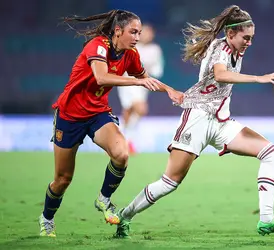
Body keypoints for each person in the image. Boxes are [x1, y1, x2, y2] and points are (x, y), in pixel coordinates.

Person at [113, 5, 274, 238]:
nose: (249, 43)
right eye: (246, 38)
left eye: (252, 38)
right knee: (170, 182)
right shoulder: (220, 47)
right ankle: (125, 216)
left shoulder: (236, 49)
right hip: (197, 118)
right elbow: (220, 74)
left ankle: (267, 219)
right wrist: (258, 78)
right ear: (231, 34)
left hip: (221, 122)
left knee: (271, 152)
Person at [38, 9, 184, 237]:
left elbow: (145, 79)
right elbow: (102, 77)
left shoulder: (131, 54)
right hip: (69, 116)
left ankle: (104, 199)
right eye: (133, 32)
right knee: (63, 179)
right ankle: (47, 218)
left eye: (139, 33)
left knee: (121, 154)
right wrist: (136, 82)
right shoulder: (97, 46)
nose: (137, 37)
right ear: (118, 31)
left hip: (97, 113)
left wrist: (170, 90)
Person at [117, 24, 164, 154]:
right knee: (139, 109)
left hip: (143, 84)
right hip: (128, 82)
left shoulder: (155, 49)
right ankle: (125, 141)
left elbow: (158, 68)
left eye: (149, 33)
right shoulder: (130, 47)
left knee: (130, 111)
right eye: (144, 33)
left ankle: (121, 140)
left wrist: (152, 73)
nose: (146, 35)